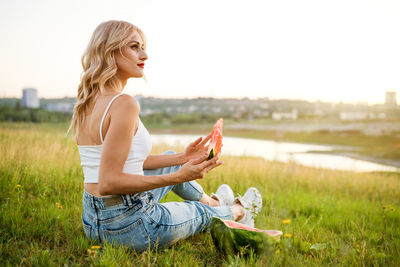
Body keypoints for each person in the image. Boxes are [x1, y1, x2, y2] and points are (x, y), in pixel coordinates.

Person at [66, 20, 262, 251]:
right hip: (132, 226)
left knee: (170, 157)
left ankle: (215, 202)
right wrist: (178, 176)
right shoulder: (124, 104)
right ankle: (240, 212)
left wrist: (182, 158)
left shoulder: (88, 101)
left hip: (94, 220)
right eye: (134, 46)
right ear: (111, 51)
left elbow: (122, 162)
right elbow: (110, 182)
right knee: (198, 213)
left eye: (142, 46)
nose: (144, 54)